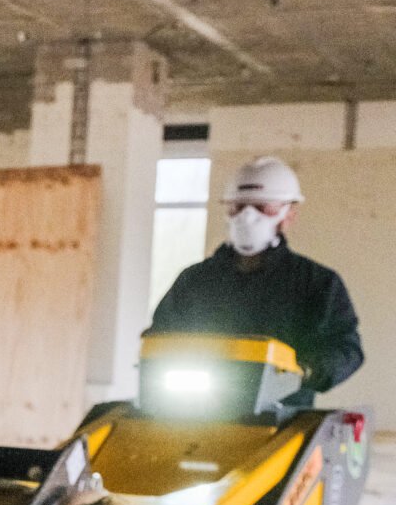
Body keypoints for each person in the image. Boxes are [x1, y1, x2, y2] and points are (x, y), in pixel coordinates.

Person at [147, 154, 363, 403]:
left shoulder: (317, 283)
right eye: (238, 206)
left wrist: (305, 371)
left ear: (289, 214)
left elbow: (346, 348)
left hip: (282, 416)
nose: (247, 216)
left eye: (263, 206)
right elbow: (159, 336)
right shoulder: (194, 280)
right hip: (192, 410)